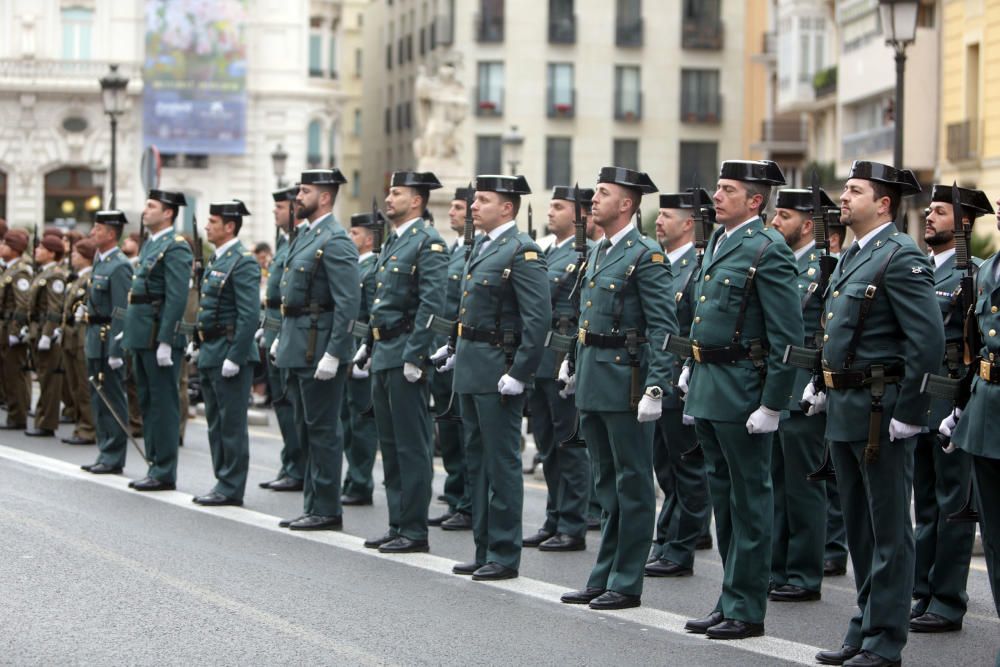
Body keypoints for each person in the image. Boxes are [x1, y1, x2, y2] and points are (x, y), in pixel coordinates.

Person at [806, 161, 944, 667]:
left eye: (854, 190)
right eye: (845, 189)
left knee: (888, 529)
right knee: (860, 529)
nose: (843, 197)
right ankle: (863, 625)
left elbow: (926, 342)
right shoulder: (853, 255)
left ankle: (885, 639)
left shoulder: (901, 255)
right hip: (846, 408)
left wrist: (912, 410)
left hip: (880, 413)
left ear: (883, 204)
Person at [681, 160, 803, 640]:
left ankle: (748, 609)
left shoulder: (768, 249)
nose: (717, 195)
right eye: (718, 187)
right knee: (725, 504)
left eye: (728, 190)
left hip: (743, 390)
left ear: (755, 201)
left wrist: (773, 403)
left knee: (751, 504)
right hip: (713, 387)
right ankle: (729, 597)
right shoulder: (720, 241)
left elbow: (787, 335)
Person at [559, 166, 678, 610]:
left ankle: (626, 581)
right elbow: (586, 317)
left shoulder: (645, 255)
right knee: (605, 484)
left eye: (604, 193)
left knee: (632, 483)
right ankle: (603, 574)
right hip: (595, 379)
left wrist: (656, 387)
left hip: (627, 384)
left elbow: (663, 327)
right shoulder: (599, 250)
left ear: (627, 204)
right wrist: (572, 363)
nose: (594, 199)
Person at [434, 174, 550, 580]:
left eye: (483, 199)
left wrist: (520, 372)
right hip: (471, 367)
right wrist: (452, 348)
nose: (474, 206)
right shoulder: (482, 247)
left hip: (498, 370)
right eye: (475, 199)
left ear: (507, 207)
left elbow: (538, 320)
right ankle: (484, 548)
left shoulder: (522, 251)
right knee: (477, 463)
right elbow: (469, 311)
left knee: (501, 465)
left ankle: (503, 553)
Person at [910, 185, 991, 632]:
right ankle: (922, 592)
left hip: (953, 405)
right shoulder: (919, 270)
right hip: (920, 402)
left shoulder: (973, 275)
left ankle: (947, 600)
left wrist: (961, 405)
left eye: (939, 212)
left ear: (962, 223)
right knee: (924, 506)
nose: (928, 217)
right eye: (928, 210)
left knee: (954, 507)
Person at [359, 171, 447, 553]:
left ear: (416, 200)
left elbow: (433, 303)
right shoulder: (394, 243)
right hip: (383, 353)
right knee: (391, 446)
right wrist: (368, 345)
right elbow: (379, 304)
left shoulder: (428, 242)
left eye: (396, 192)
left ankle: (414, 529)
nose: (388, 198)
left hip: (405, 355)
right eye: (389, 190)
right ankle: (398, 522)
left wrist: (416, 353)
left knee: (412, 446)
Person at [272, 168, 360, 531]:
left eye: (305, 191)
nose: (298, 198)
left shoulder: (335, 240)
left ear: (325, 197)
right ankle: (313, 502)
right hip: (298, 344)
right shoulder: (305, 236)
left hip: (318, 348)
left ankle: (326, 507)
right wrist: (282, 335)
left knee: (323, 429)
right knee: (305, 428)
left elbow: (348, 302)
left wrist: (335, 352)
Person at [767, 187, 838, 602]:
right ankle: (777, 568)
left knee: (804, 486)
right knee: (776, 483)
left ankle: (804, 574)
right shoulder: (781, 264)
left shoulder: (823, 267)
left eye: (785, 216)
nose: (776, 223)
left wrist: (821, 381)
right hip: (777, 388)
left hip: (805, 388)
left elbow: (830, 331)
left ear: (808, 225)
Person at [645, 188, 712, 578]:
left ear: (689, 223)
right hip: (660, 381)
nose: (659, 220)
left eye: (667, 215)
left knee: (687, 470)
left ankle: (681, 545)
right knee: (665, 469)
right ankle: (667, 538)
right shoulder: (662, 264)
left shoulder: (696, 267)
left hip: (682, 382)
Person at [522, 185, 593, 553]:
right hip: (540, 361)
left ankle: (573, 524)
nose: (551, 212)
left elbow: (584, 313)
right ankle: (553, 518)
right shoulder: (545, 250)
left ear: (580, 216)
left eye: (559, 206)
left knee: (570, 447)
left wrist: (574, 362)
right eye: (550, 205)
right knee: (548, 447)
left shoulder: (586, 253)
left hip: (563, 359)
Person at [941, 195, 1000, 624]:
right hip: (986, 413)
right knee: (994, 539)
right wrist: (964, 404)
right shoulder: (991, 268)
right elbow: (976, 346)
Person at [188, 200, 261, 506]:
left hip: (230, 353)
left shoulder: (241, 261)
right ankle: (222, 479)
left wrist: (236, 355)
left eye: (213, 222)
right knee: (216, 422)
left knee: (231, 425)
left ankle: (231, 486)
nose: (207, 226)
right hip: (211, 351)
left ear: (229, 227)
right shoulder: (218, 260)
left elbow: (249, 314)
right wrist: (197, 341)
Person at [123, 190, 194, 491]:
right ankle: (155, 464)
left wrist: (167, 339)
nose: (145, 210)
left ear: (168, 213)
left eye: (151, 206)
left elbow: (177, 297)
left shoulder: (176, 247)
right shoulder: (152, 244)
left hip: (157, 336)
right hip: (142, 334)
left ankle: (164, 470)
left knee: (163, 404)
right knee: (148, 402)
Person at [427, 187, 475, 530]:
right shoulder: (454, 250)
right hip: (444, 351)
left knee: (464, 430)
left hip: (463, 353)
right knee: (450, 430)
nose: (452, 212)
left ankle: (469, 502)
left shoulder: (474, 252)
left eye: (459, 208)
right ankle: (456, 495)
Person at [258, 187, 305, 492]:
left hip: (290, 328)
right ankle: (290, 461)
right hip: (275, 324)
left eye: (280, 207)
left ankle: (298, 467)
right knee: (281, 402)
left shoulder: (302, 239)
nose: (275, 212)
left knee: (292, 401)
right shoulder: (283, 240)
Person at [81, 211, 133, 474]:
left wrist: (116, 348)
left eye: (98, 228)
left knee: (111, 397)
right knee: (97, 397)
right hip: (93, 337)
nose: (93, 232)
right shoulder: (99, 262)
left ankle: (114, 455)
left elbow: (121, 311)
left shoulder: (119, 265)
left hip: (107, 340)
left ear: (111, 234)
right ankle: (104, 450)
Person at [340, 212, 380, 506]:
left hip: (361, 351)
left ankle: (361, 481)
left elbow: (372, 315)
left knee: (361, 421)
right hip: (347, 348)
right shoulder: (354, 268)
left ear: (368, 239)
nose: (349, 238)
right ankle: (352, 477)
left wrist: (366, 350)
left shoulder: (373, 269)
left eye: (354, 234)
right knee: (347, 419)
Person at [22, 234, 69, 437]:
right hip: (36, 329)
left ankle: (47, 422)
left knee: (49, 379)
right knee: (42, 377)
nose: (36, 251)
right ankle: (42, 418)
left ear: (51, 253)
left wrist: (47, 335)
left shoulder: (55, 275)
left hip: (44, 331)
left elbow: (54, 308)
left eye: (41, 248)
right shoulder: (43, 273)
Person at [59, 237, 97, 446]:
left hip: (81, 337)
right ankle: (81, 424)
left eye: (75, 253)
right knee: (75, 385)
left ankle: (88, 428)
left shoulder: (89, 278)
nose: (72, 257)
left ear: (85, 257)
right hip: (72, 336)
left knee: (83, 386)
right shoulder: (78, 278)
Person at [0, 229, 33, 430]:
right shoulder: (8, 269)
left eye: (4, 244)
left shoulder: (20, 271)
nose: (1, 247)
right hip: (4, 327)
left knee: (14, 372)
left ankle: (18, 415)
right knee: (7, 372)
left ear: (14, 249)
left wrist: (17, 330)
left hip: (11, 327)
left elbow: (23, 304)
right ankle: (14, 412)